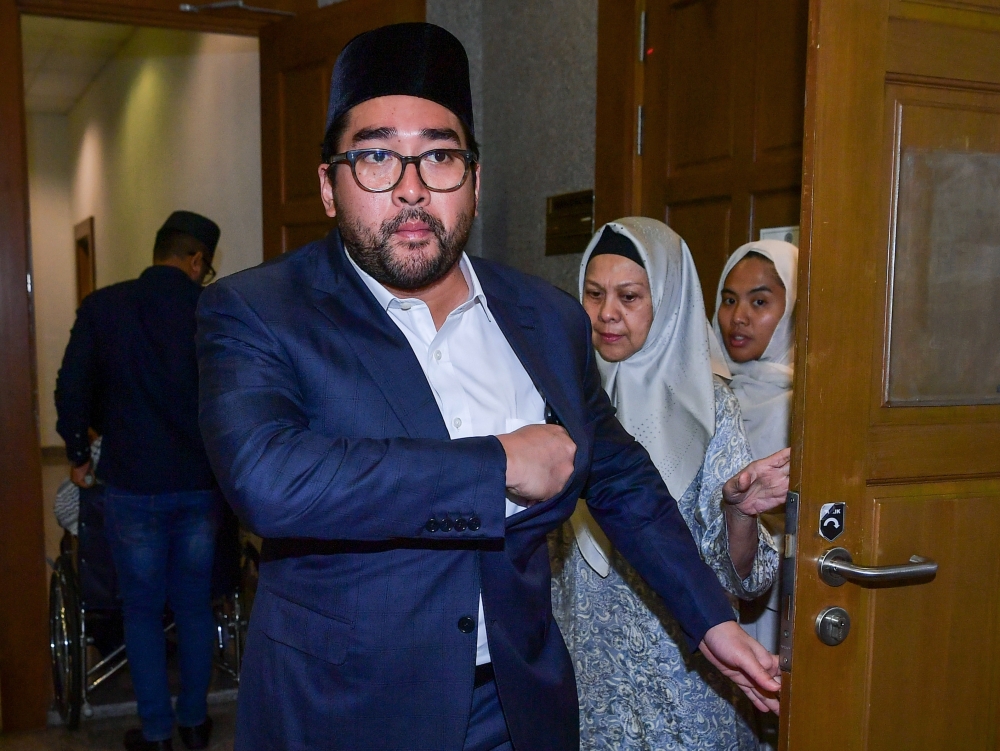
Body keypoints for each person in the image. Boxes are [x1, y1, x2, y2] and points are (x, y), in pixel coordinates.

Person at [195, 23, 780, 751]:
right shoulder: (258, 311)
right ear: (327, 183)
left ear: (474, 179)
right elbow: (270, 479)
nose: (410, 188)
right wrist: (499, 462)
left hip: (516, 705)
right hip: (343, 711)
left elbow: (620, 474)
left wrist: (711, 619)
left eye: (439, 156)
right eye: (376, 155)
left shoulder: (545, 315)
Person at [550, 218, 789, 750]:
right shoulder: (557, 395)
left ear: (670, 303)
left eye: (629, 297)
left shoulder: (710, 406)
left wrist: (740, 514)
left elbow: (746, 583)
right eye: (593, 294)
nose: (607, 313)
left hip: (684, 673)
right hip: (584, 671)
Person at [55, 211, 223, 751]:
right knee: (196, 607)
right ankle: (195, 724)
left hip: (131, 484)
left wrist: (79, 454)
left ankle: (155, 732)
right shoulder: (212, 312)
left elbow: (70, 387)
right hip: (201, 483)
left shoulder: (104, 306)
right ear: (196, 260)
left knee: (143, 611)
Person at [713, 239, 798, 750]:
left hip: (779, 599)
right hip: (711, 603)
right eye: (728, 299)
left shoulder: (807, 402)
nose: (738, 317)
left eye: (760, 302)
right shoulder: (699, 390)